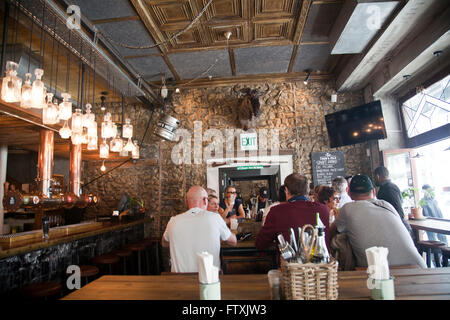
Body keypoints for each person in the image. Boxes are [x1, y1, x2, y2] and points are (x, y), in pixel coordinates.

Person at [330, 174, 426, 268]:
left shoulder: (347, 209)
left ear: (348, 192)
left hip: (379, 275)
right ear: (373, 192)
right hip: (419, 269)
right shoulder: (387, 205)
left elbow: (331, 232)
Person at [162, 186, 237, 272]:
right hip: (208, 280)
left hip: (180, 281)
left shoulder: (173, 221)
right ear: (205, 200)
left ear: (187, 202)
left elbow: (164, 243)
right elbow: (233, 242)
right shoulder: (215, 218)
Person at [256, 173, 330, 252]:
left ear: (286, 191)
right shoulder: (323, 209)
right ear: (308, 190)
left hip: (289, 263)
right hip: (321, 263)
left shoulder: (277, 211)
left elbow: (260, 244)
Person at [373, 166, 414, 238]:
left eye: (374, 177)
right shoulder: (389, 187)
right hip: (397, 225)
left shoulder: (389, 188)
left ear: (378, 176)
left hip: (399, 227)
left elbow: (398, 210)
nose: (374, 179)